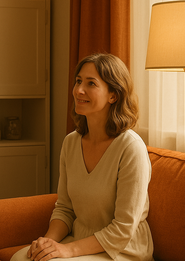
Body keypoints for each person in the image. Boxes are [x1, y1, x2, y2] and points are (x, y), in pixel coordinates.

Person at [11, 53, 153, 261]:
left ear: (113, 95)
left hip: (122, 250)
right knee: (21, 258)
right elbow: (65, 209)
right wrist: (47, 242)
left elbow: (123, 229)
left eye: (91, 83)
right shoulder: (71, 143)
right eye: (78, 81)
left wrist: (68, 250)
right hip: (81, 240)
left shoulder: (131, 148)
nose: (78, 90)